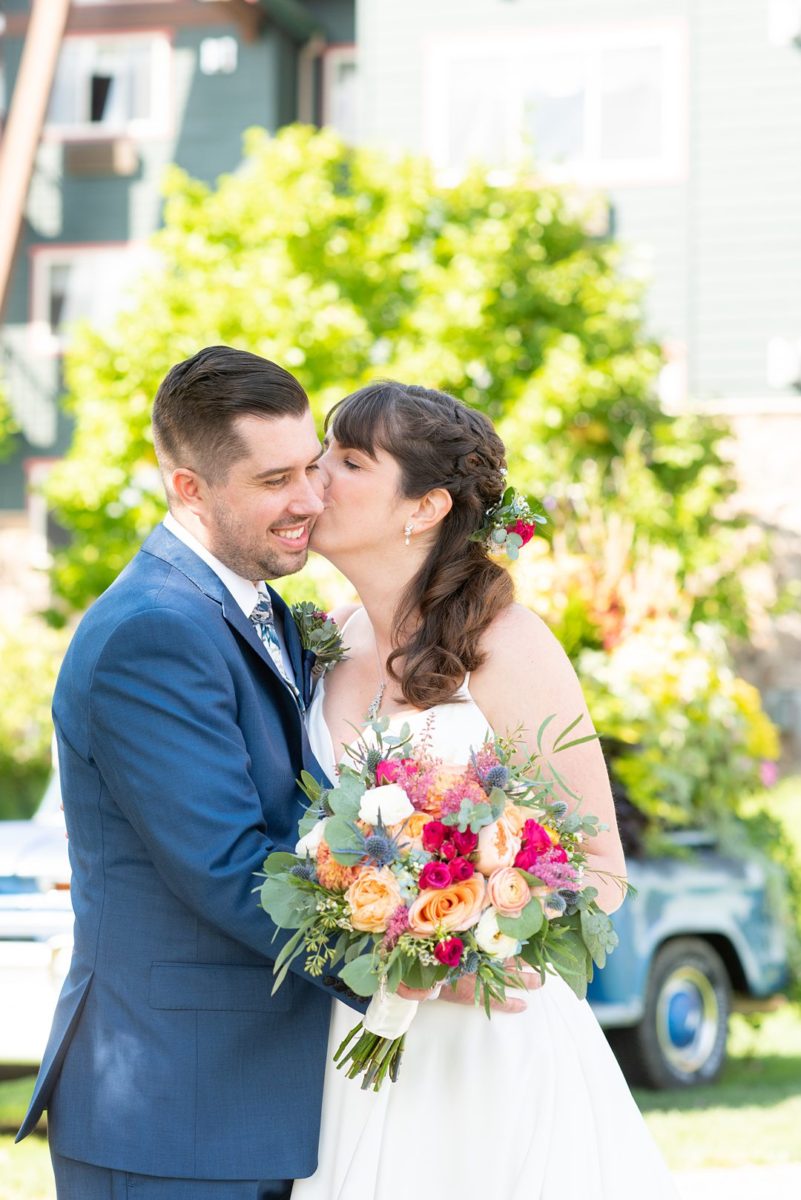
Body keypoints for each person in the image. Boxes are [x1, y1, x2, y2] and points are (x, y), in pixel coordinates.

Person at [293, 380, 680, 1199]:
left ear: (424, 506)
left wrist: (470, 945)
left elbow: (600, 866)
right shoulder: (326, 636)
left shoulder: (509, 644)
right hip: (354, 1039)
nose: (314, 470)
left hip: (485, 1047)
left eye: (348, 459)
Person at [16, 346, 369, 1199]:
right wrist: (407, 961)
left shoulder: (259, 606)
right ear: (189, 488)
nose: (311, 501)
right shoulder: (153, 632)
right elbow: (224, 864)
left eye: (313, 470)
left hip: (250, 1092)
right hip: (172, 1104)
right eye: (275, 480)